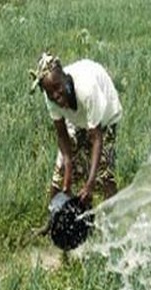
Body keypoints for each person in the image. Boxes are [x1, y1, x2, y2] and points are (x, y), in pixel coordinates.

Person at [30, 52, 122, 234]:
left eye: (58, 88)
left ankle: (112, 224)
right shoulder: (50, 97)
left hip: (105, 117)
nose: (56, 95)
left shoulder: (87, 89)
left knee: (103, 173)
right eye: (50, 92)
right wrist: (68, 178)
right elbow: (62, 136)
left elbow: (96, 138)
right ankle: (52, 223)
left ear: (65, 77)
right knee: (60, 170)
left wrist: (89, 184)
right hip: (77, 117)